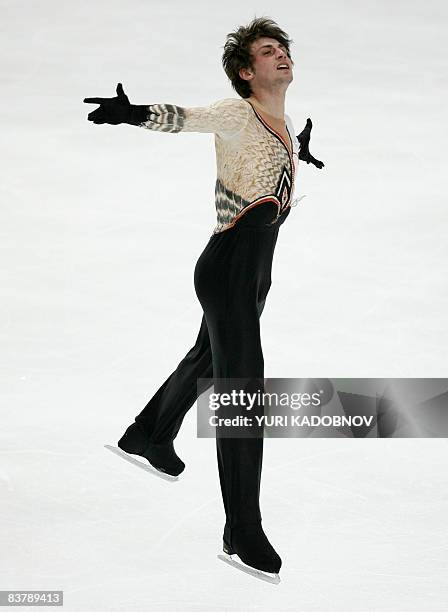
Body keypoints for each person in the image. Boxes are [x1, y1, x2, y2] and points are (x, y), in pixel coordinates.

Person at [84, 16, 324, 582]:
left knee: (208, 358)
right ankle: (242, 528)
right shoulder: (237, 112)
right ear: (247, 71)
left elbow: (266, 168)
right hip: (228, 268)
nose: (282, 56)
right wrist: (133, 112)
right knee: (244, 392)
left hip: (251, 274)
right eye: (268, 52)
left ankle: (149, 432)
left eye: (284, 48)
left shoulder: (279, 119)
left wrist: (296, 156)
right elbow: (186, 119)